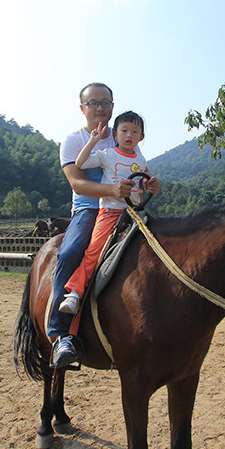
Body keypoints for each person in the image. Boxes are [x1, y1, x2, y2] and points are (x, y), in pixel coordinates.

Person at [49, 84, 159, 368]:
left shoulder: (124, 134)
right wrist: (111, 190)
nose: (100, 108)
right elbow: (77, 182)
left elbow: (138, 171)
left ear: (113, 106)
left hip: (128, 207)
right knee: (71, 251)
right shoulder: (74, 141)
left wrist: (147, 185)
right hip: (90, 208)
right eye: (94, 103)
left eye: (106, 102)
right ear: (82, 107)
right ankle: (62, 334)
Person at [58, 110, 153, 316]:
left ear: (141, 137)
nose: (129, 135)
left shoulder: (140, 158)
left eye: (134, 131)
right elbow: (80, 163)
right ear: (115, 135)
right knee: (94, 250)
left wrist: (151, 185)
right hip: (110, 212)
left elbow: (146, 181)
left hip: (135, 212)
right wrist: (93, 141)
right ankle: (74, 291)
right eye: (124, 131)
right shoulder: (107, 155)